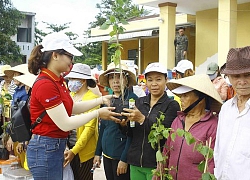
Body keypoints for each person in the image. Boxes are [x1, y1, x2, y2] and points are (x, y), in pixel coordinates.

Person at [26, 32, 121, 180]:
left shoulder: (57, 81)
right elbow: (65, 123)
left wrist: (100, 100)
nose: (71, 61)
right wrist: (97, 113)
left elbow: (71, 108)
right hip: (45, 147)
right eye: (69, 56)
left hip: (54, 146)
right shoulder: (46, 84)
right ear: (55, 55)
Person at [156, 74, 222, 180]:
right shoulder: (178, 120)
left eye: (185, 96)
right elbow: (166, 150)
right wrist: (159, 172)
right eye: (181, 96)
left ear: (201, 100)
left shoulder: (212, 125)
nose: (181, 99)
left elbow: (211, 162)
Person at [121, 62, 180, 180]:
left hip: (156, 164)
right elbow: (131, 133)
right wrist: (124, 125)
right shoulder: (139, 102)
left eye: (158, 79)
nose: (154, 84)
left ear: (166, 80)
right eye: (150, 80)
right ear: (145, 82)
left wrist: (142, 119)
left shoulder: (172, 105)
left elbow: (164, 134)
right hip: (135, 162)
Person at [93, 62, 138, 180]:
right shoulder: (107, 100)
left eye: (119, 77)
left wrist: (124, 159)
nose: (115, 81)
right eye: (112, 77)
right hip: (107, 154)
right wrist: (98, 153)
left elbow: (134, 134)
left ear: (127, 80)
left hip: (121, 156)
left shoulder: (133, 101)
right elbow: (102, 128)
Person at [214, 46, 250, 179]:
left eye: (248, 75)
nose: (242, 81)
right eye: (236, 76)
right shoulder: (226, 108)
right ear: (228, 77)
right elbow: (218, 148)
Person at [63, 63, 100, 180]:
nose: (70, 82)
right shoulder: (70, 95)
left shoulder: (92, 99)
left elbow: (89, 128)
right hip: (67, 147)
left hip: (83, 151)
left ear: (83, 81)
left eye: (73, 79)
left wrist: (74, 151)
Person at [0, 65, 16, 134]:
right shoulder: (2, 83)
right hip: (4, 111)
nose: (6, 78)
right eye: (4, 76)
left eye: (7, 76)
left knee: (11, 130)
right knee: (4, 131)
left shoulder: (15, 84)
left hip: (12, 111)